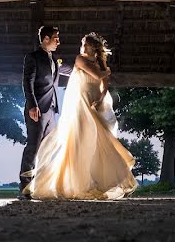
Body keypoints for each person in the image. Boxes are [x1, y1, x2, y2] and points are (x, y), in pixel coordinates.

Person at [23, 32, 138, 200]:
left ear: (93, 48)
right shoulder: (80, 59)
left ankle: (106, 182)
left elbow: (104, 84)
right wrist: (107, 72)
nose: (82, 47)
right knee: (80, 141)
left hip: (94, 103)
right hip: (81, 104)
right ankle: (74, 183)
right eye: (82, 44)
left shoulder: (99, 62)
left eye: (85, 45)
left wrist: (100, 97)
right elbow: (99, 76)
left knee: (100, 141)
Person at [18, 25, 72, 199]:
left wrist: (85, 67)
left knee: (49, 148)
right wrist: (32, 105)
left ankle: (44, 186)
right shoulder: (32, 57)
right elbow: (28, 82)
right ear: (46, 39)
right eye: (56, 38)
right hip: (37, 110)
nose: (59, 42)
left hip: (52, 111)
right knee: (33, 147)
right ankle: (25, 189)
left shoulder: (55, 59)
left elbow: (67, 71)